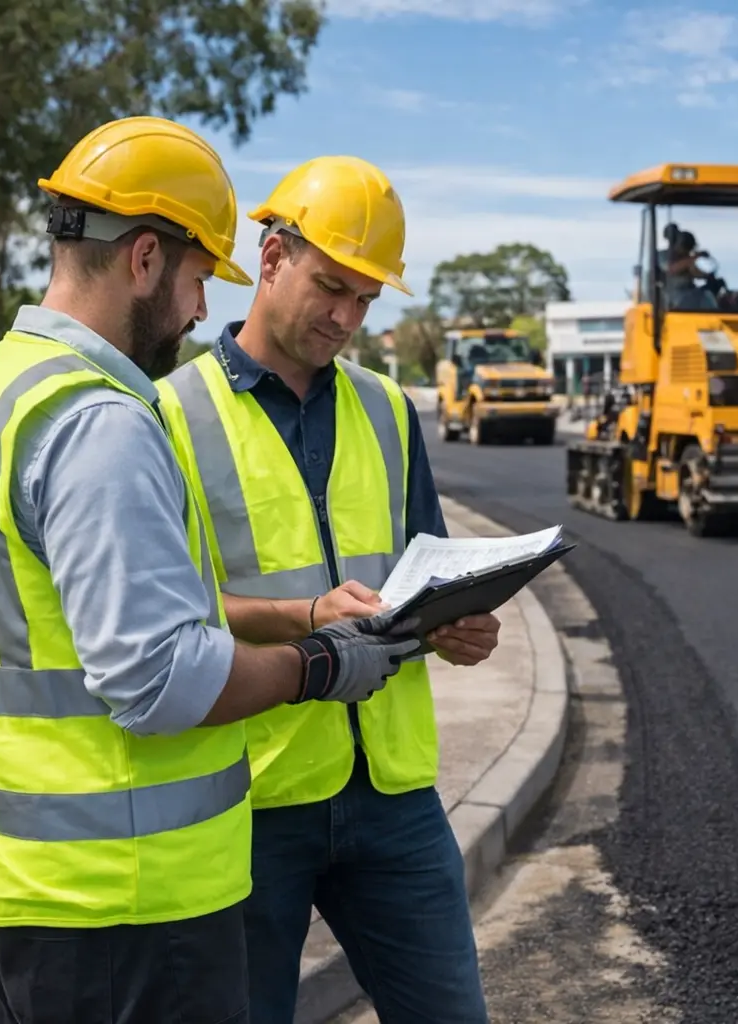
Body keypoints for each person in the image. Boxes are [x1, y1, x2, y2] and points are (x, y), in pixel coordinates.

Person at [0, 119, 420, 1024]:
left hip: (13, 886)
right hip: (127, 905)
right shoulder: (101, 421)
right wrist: (322, 664)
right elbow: (158, 679)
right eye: (198, 278)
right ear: (143, 258)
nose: (202, 311)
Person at [157, 154, 502, 1024]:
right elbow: (167, 613)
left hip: (392, 795)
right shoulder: (169, 416)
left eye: (367, 301)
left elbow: (426, 570)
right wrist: (306, 616)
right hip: (252, 795)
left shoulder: (388, 410)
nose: (348, 317)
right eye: (332, 288)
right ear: (272, 259)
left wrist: (458, 624)